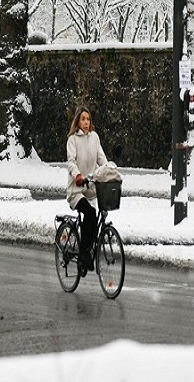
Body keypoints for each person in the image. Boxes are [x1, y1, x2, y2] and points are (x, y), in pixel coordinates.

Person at [66, 106, 108, 273]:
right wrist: (77, 175)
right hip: (76, 190)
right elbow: (70, 161)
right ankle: (83, 254)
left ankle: (88, 251)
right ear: (78, 121)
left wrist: (108, 170)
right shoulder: (73, 140)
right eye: (83, 119)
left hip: (90, 190)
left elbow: (101, 159)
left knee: (94, 222)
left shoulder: (95, 138)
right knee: (90, 214)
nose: (86, 122)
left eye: (88, 119)